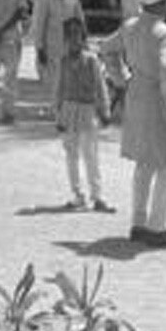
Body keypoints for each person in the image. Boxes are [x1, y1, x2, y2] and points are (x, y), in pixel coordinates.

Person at [103, 0, 166, 247]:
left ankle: (138, 223)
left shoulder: (130, 26)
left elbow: (107, 48)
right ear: (162, 3)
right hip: (158, 100)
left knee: (144, 163)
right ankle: (157, 225)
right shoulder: (165, 34)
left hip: (136, 95)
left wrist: (120, 78)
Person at [54, 16, 113, 212]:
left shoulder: (92, 60)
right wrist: (58, 114)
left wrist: (105, 110)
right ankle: (77, 194)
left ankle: (97, 196)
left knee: (91, 155)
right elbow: (59, 89)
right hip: (69, 110)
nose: (73, 40)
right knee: (71, 155)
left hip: (88, 110)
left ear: (83, 37)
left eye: (77, 35)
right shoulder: (63, 61)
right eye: (69, 36)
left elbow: (100, 87)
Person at [34, 0, 85, 101]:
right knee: (54, 82)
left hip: (70, 47)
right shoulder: (46, 0)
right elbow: (40, 25)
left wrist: (83, 44)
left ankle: (64, 112)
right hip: (52, 48)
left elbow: (80, 22)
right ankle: (56, 111)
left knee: (69, 81)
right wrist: (40, 48)